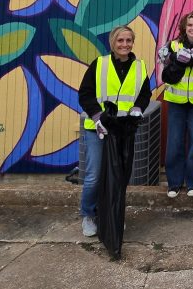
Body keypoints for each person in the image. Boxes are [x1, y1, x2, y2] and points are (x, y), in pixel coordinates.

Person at [77, 25, 153, 237]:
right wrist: (96, 117)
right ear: (113, 43)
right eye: (120, 40)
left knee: (118, 176)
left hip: (123, 130)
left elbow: (145, 94)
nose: (124, 44)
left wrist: (138, 108)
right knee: (94, 176)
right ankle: (88, 215)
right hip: (99, 129)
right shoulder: (99, 64)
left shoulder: (140, 67)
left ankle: (111, 215)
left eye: (128, 40)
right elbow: (85, 94)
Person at [160, 12, 193, 198]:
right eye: (190, 25)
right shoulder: (173, 46)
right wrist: (179, 63)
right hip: (176, 103)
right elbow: (168, 77)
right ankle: (174, 183)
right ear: (184, 27)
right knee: (174, 142)